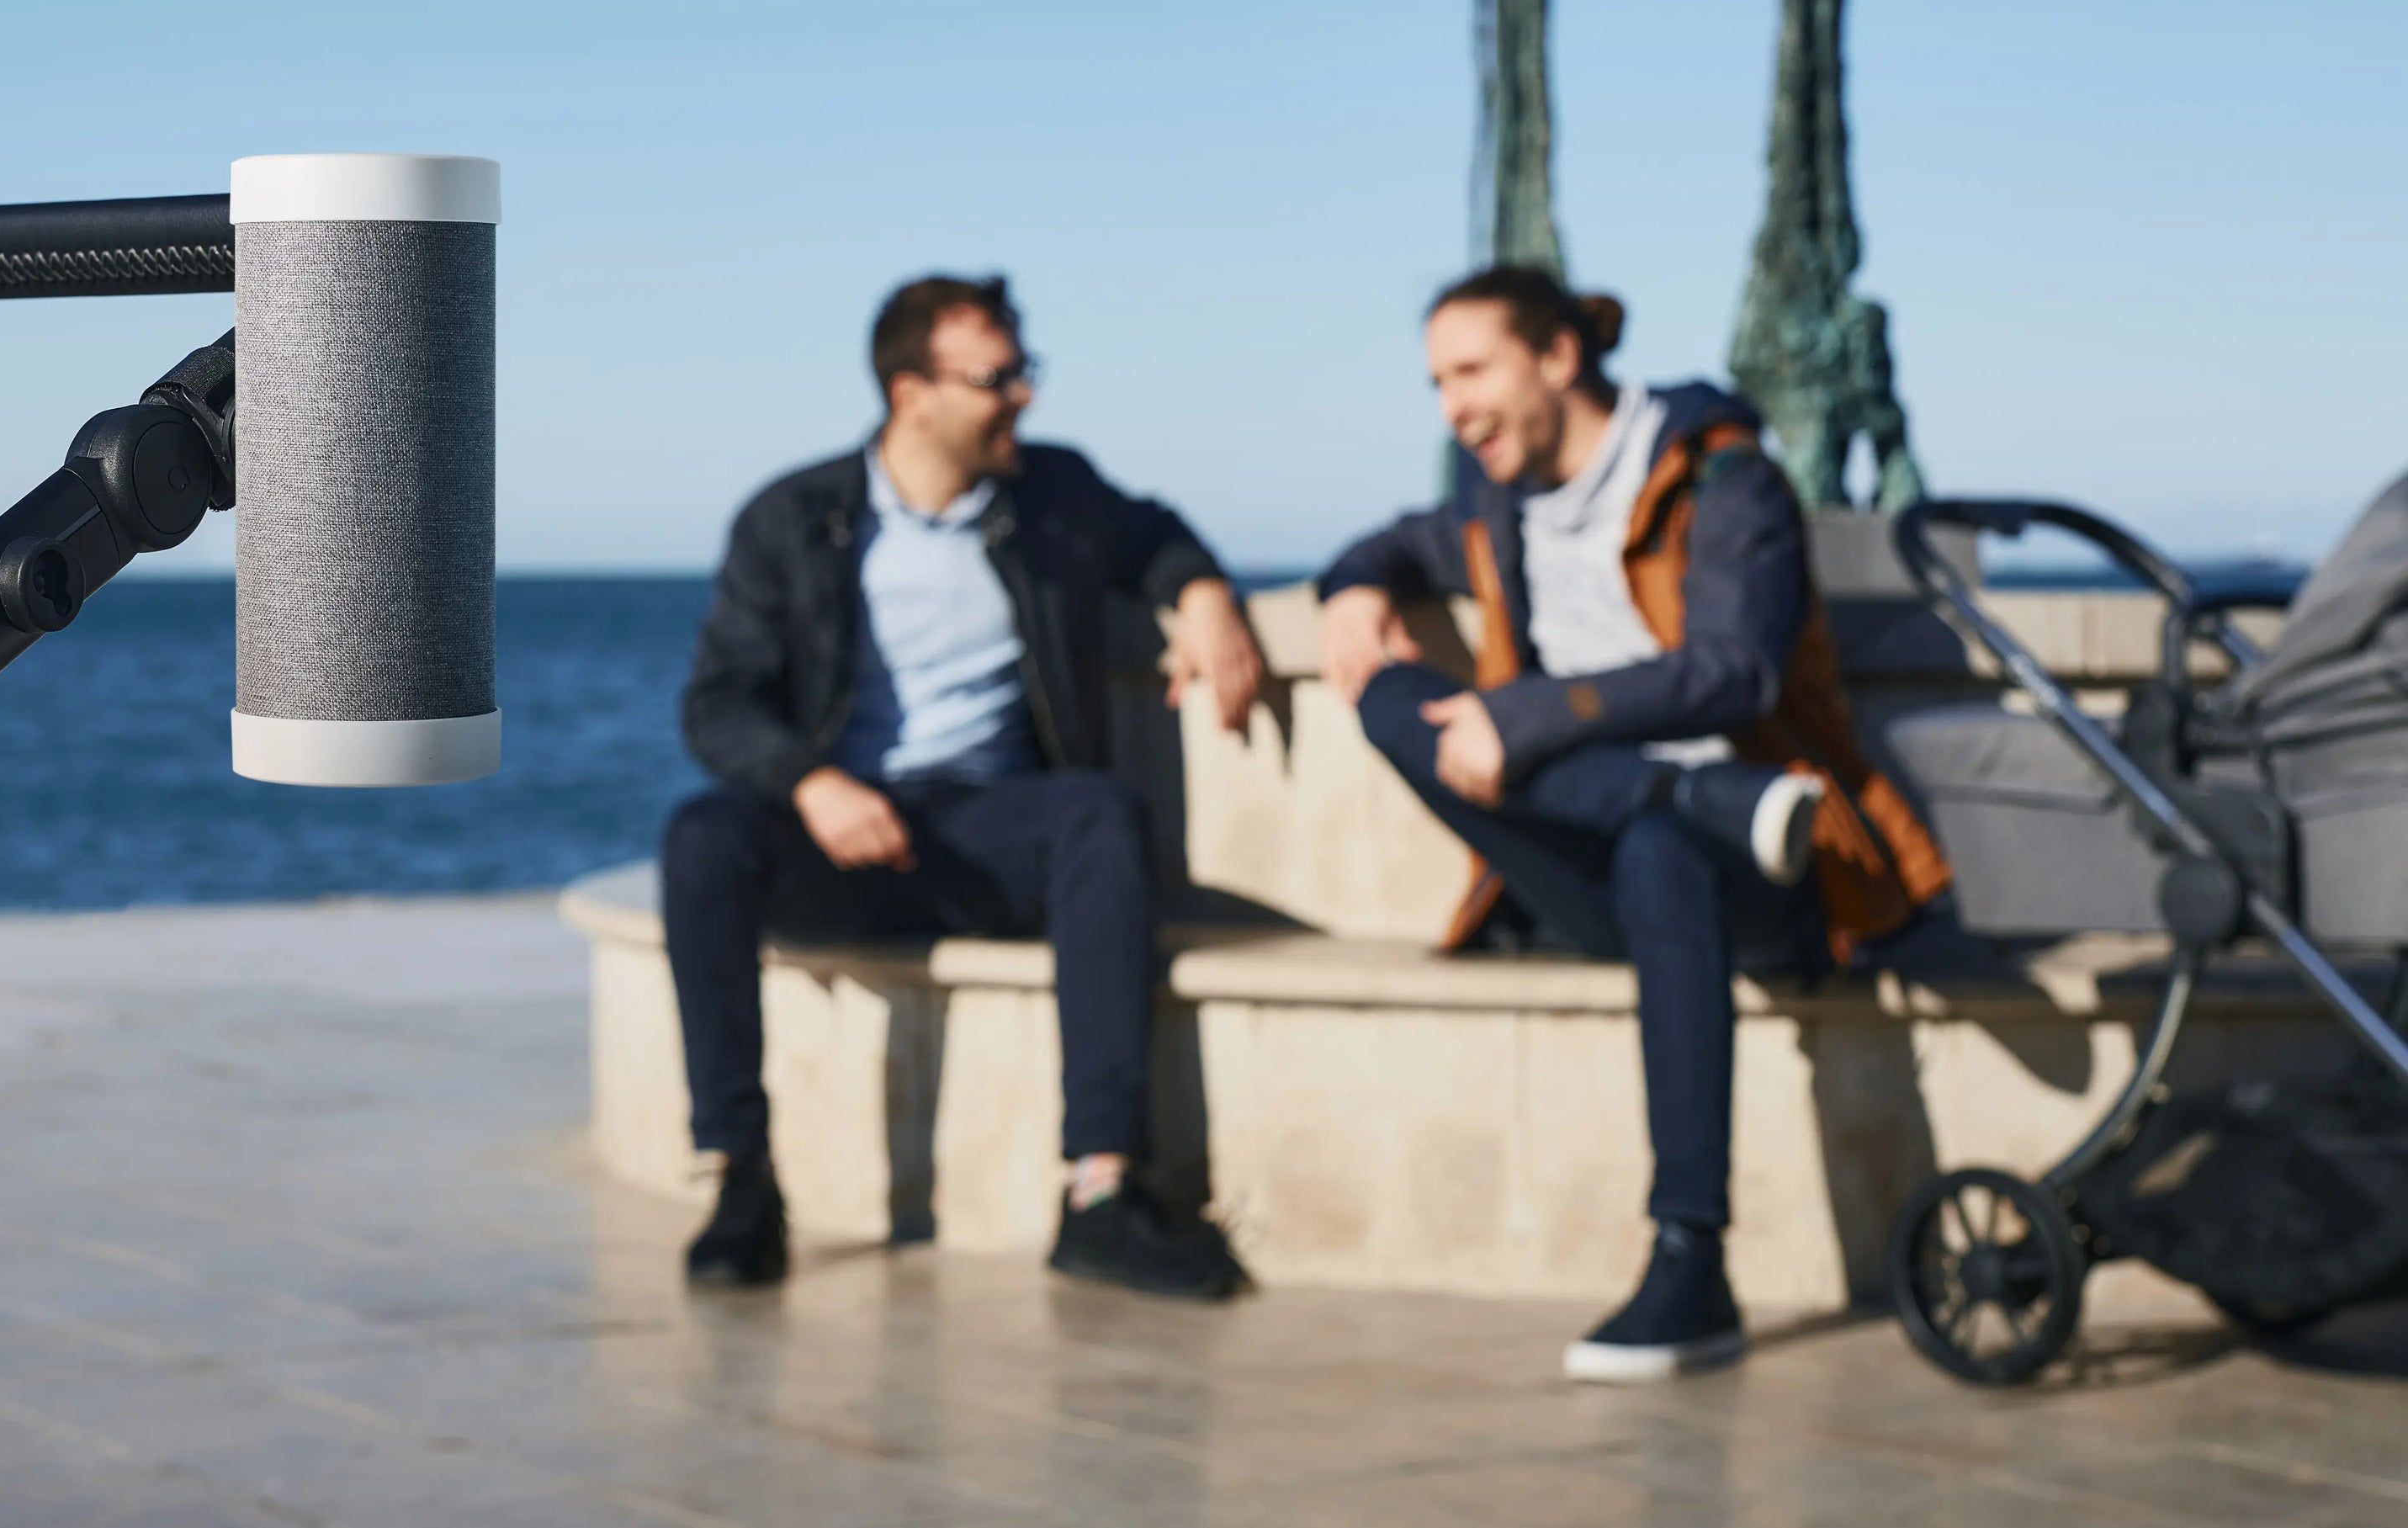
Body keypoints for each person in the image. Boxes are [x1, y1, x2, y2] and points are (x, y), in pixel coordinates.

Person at [1314, 266, 1949, 1382]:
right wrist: (1349, 588)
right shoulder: (1493, 488)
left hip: (1768, 869)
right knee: (1384, 696)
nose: (1453, 408)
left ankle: (1689, 1257)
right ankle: (1681, 794)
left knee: (1664, 850)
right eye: (1436, 383)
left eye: (1471, 372)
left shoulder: (1724, 479)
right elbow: (1395, 546)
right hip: (1586, 857)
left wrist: (1529, 714)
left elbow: (1735, 672)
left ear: (1558, 357)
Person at [665, 273, 1265, 1301]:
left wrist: (1203, 593)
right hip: (844, 830)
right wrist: (808, 781)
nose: (1023, 396)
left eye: (1026, 371)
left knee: (1102, 815)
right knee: (703, 838)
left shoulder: (1055, 495)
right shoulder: (794, 516)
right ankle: (742, 1179)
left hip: (989, 828)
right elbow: (718, 701)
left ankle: (1102, 1192)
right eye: (999, 376)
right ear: (913, 393)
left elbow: (1153, 532)